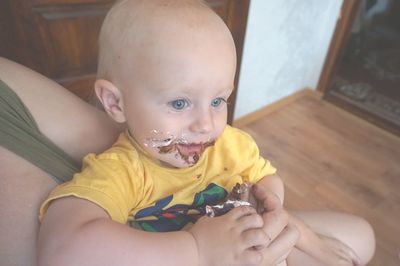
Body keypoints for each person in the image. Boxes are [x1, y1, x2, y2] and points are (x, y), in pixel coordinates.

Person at [0, 1, 374, 266]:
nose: (206, 124)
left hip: (253, 246)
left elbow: (265, 176)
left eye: (218, 100)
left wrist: (269, 201)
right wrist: (196, 250)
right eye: (180, 104)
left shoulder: (230, 144)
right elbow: (63, 250)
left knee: (364, 236)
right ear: (116, 104)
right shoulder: (122, 170)